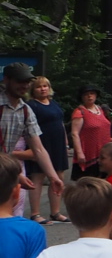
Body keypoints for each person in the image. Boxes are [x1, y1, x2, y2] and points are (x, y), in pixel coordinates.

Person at [2, 64, 59, 221]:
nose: (24, 86)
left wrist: (53, 177)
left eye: (27, 82)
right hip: (7, 169)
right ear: (6, 80)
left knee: (9, 219)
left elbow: (38, 148)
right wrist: (16, 174)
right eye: (19, 81)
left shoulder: (25, 110)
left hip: (5, 172)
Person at [27, 77, 68, 224]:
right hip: (41, 144)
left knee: (59, 176)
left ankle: (55, 212)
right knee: (38, 177)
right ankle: (35, 213)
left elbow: (60, 122)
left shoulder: (53, 103)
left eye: (45, 86)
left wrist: (65, 141)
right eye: (39, 87)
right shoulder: (31, 105)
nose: (43, 89)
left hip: (58, 144)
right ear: (33, 90)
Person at [68, 86, 112, 181]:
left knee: (104, 182)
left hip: (104, 152)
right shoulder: (79, 112)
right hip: (89, 153)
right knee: (89, 182)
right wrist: (79, 153)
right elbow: (75, 134)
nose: (89, 96)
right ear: (82, 97)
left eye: (92, 94)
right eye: (86, 94)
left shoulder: (101, 110)